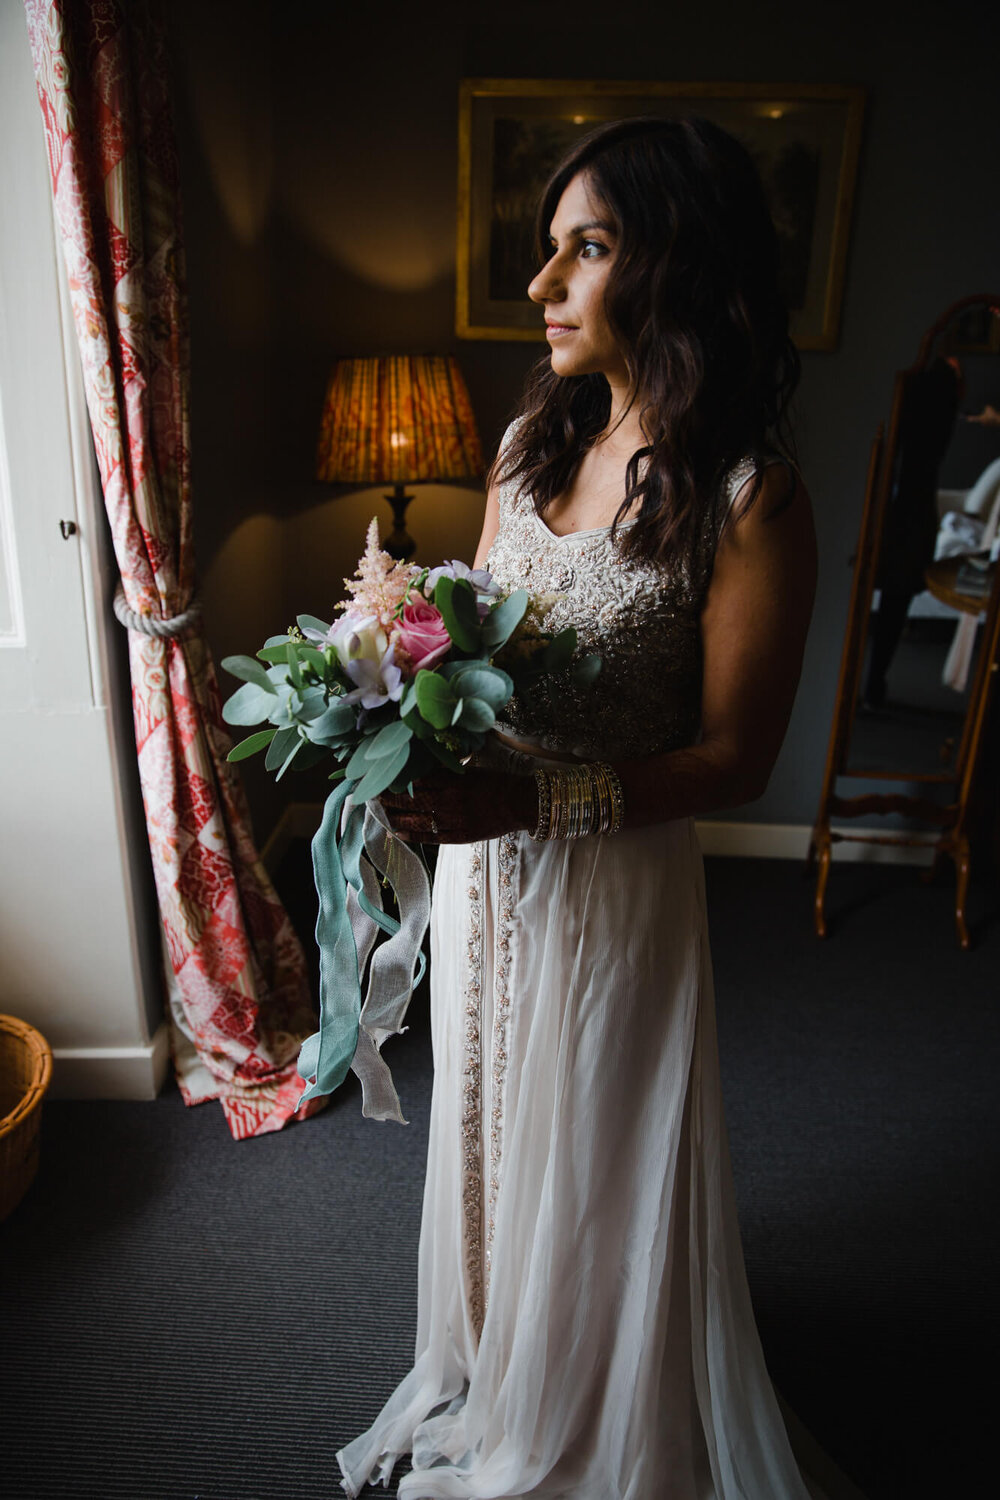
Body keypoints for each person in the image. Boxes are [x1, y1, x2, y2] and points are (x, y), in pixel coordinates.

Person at [339, 116, 823, 1499]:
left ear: (675, 267)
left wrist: (531, 799)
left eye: (586, 249)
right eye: (548, 251)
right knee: (492, 1119)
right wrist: (397, 713)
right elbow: (475, 639)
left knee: (594, 1151)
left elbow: (738, 760)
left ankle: (590, 1405)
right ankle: (499, 1360)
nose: (542, 287)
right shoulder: (524, 448)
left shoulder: (750, 496)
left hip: (611, 882)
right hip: (493, 874)